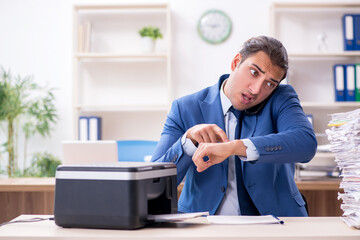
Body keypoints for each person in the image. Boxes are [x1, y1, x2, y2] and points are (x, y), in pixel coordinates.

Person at [151, 36, 317, 217]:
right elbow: (153, 184)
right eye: (254, 72)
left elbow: (306, 143)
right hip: (203, 225)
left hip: (276, 223)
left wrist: (235, 147)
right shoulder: (185, 108)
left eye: (269, 84)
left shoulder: (281, 98)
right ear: (236, 62)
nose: (256, 90)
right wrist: (187, 141)